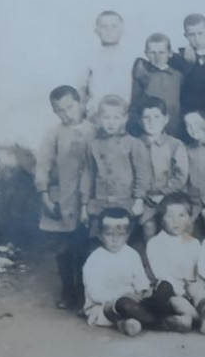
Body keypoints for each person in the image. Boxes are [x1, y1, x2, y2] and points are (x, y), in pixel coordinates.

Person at [35, 85, 93, 310]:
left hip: (87, 201)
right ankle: (68, 289)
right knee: (64, 248)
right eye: (60, 110)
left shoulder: (94, 130)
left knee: (84, 246)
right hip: (63, 199)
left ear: (80, 103)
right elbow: (43, 166)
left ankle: (85, 291)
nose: (67, 113)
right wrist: (45, 196)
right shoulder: (53, 134)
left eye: (70, 107)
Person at [81, 95, 150, 234]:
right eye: (106, 117)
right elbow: (88, 175)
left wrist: (139, 200)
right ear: (99, 119)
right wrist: (84, 205)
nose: (111, 123)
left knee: (122, 236)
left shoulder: (134, 144)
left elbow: (142, 174)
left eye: (116, 117)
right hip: (100, 202)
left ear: (125, 119)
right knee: (97, 237)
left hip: (125, 202)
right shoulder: (93, 145)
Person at [81, 207, 153, 335]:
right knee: (119, 307)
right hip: (104, 306)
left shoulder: (132, 254)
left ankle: (131, 322)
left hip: (131, 302)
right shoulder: (95, 260)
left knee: (145, 301)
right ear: (99, 234)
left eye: (120, 234)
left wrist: (142, 290)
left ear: (128, 234)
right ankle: (146, 322)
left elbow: (140, 280)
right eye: (109, 234)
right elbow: (95, 293)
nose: (115, 240)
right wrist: (121, 299)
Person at [144, 193, 204, 330]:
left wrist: (194, 285)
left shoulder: (193, 243)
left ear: (189, 219)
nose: (175, 221)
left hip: (190, 290)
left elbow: (196, 273)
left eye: (181, 216)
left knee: (201, 290)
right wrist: (183, 291)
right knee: (177, 301)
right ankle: (199, 320)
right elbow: (162, 275)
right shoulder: (155, 243)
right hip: (171, 292)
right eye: (170, 216)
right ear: (162, 219)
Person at [138, 98, 190, 239]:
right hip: (146, 198)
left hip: (171, 196)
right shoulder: (135, 145)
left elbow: (181, 175)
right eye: (146, 117)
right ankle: (151, 258)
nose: (151, 121)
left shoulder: (175, 144)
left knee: (174, 224)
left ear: (166, 119)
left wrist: (163, 192)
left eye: (156, 117)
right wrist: (143, 196)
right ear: (139, 121)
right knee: (148, 225)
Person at [172, 14, 205, 136]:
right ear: (185, 36)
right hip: (189, 119)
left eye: (200, 33)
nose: (197, 39)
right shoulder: (180, 59)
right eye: (192, 35)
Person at [82, 10, 137, 118]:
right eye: (103, 26)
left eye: (114, 26)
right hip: (96, 114)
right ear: (96, 30)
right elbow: (82, 88)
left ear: (122, 30)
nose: (109, 30)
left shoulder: (131, 57)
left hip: (124, 115)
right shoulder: (89, 58)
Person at [131, 34, 183, 137]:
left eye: (162, 52)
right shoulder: (142, 74)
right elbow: (135, 103)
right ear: (146, 53)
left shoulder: (178, 76)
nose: (157, 57)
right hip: (149, 129)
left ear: (170, 53)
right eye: (152, 52)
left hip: (174, 129)